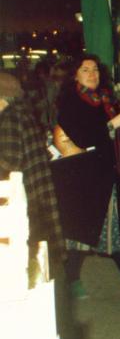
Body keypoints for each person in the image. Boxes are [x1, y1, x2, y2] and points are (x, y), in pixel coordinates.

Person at [53, 54, 120, 301]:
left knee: (118, 230)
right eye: (85, 69)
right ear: (75, 75)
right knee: (80, 236)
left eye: (95, 69)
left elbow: (118, 137)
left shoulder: (106, 99)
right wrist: (111, 125)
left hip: (113, 175)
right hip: (84, 180)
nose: (92, 74)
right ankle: (73, 280)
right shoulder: (70, 103)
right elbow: (83, 138)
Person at [0, 71, 64, 260]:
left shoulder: (9, 118)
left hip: (26, 195)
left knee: (27, 253)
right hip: (37, 192)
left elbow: (10, 161)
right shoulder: (22, 112)